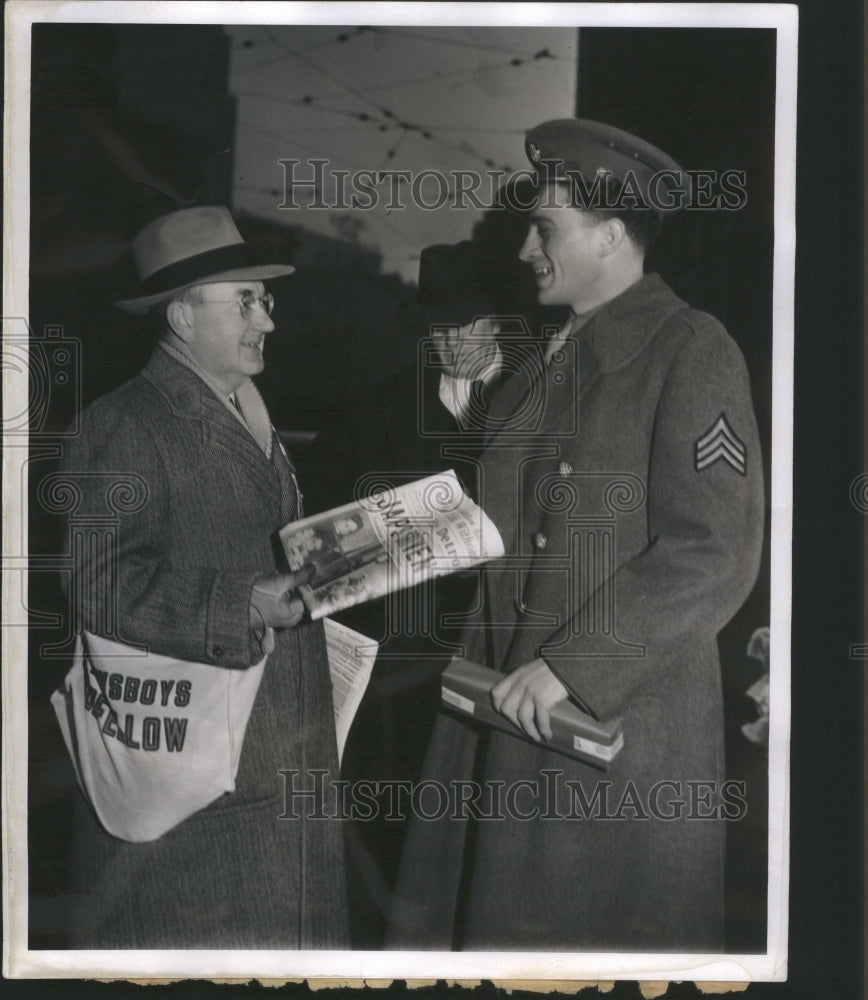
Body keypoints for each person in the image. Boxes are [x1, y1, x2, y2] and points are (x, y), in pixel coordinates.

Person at [387, 118, 765, 951]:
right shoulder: (541, 357)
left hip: (606, 733)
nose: (527, 249)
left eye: (545, 228)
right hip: (510, 710)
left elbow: (713, 551)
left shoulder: (690, 349)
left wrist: (572, 665)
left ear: (613, 234)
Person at [57, 206, 349, 949]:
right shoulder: (123, 423)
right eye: (245, 301)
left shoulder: (247, 408)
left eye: (267, 300)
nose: (267, 321)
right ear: (182, 315)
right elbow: (96, 582)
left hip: (274, 760)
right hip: (198, 787)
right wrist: (236, 601)